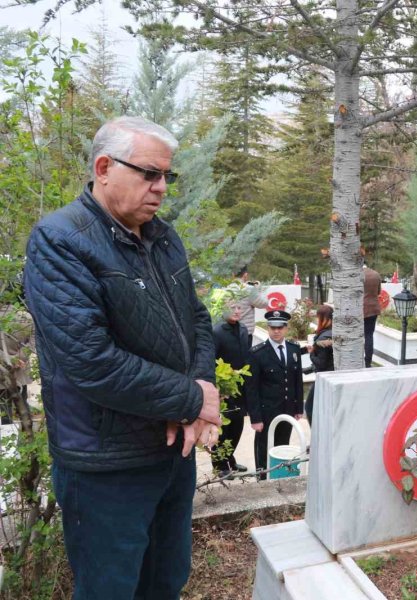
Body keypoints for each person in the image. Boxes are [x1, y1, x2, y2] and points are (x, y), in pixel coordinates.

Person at [23, 116, 221, 599]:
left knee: (165, 582)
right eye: (150, 174)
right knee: (109, 590)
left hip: (172, 448)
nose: (161, 189)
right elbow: (89, 360)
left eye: (167, 177)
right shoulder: (60, 240)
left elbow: (194, 320)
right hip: (105, 462)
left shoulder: (162, 235)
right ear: (104, 166)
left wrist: (198, 389)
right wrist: (191, 399)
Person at [246, 310, 303, 480]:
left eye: (280, 327)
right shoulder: (257, 353)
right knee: (263, 446)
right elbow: (251, 388)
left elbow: (297, 380)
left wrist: (298, 407)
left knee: (283, 443)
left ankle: (279, 476)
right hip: (266, 411)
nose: (276, 331)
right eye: (272, 327)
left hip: (287, 408)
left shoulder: (293, 349)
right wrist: (255, 418)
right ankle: (262, 478)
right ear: (268, 328)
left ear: (286, 328)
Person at [212, 301, 252, 477]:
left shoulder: (243, 329)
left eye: (239, 308)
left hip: (240, 388)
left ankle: (230, 460)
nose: (237, 311)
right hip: (223, 389)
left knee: (237, 425)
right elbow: (209, 360)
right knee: (223, 429)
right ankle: (219, 466)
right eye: (232, 308)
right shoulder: (216, 331)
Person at [301, 305, 335, 425]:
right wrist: (308, 369)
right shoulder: (332, 332)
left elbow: (321, 363)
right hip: (332, 376)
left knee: (310, 408)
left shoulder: (324, 337)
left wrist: (311, 354)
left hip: (325, 379)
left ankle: (316, 440)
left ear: (323, 318)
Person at [363, 266, 382, 367]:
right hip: (373, 308)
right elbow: (378, 292)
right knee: (369, 335)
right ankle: (368, 362)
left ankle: (356, 359)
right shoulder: (375, 274)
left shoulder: (355, 274)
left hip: (359, 309)